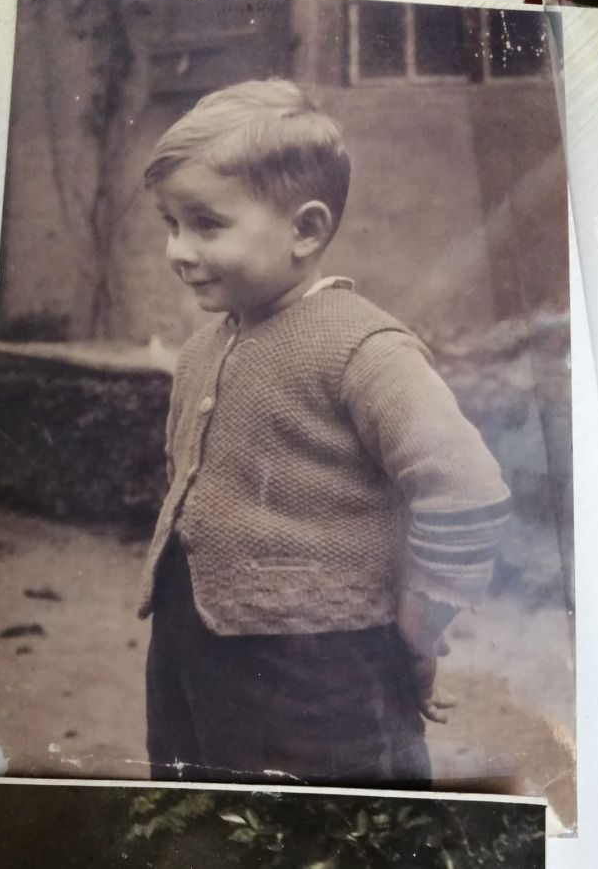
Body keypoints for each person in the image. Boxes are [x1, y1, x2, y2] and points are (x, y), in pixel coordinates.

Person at [138, 78, 510, 785]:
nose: (177, 250)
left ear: (305, 230)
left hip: (324, 667)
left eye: (206, 225)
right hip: (190, 649)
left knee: (337, 826)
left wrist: (421, 622)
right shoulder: (200, 352)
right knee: (196, 815)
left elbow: (467, 490)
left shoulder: (362, 347)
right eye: (170, 224)